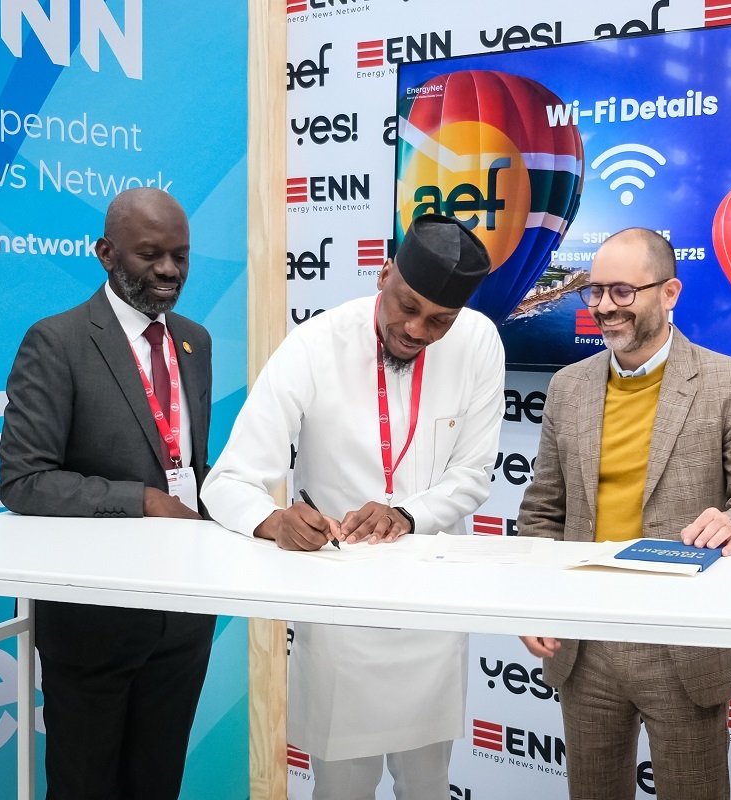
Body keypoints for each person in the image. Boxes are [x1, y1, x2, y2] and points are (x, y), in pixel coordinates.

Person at [201, 213, 504, 800]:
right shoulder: (316, 345)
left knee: (427, 782)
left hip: (431, 606)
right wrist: (274, 520)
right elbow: (230, 479)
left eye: (439, 321)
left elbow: (471, 476)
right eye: (407, 306)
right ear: (383, 274)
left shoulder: (478, 342)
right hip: (341, 610)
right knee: (342, 785)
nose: (416, 329)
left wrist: (407, 515)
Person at [517, 228, 731, 800]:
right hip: (584, 644)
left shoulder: (728, 381)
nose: (604, 307)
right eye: (595, 291)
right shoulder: (567, 387)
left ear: (669, 293)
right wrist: (535, 599)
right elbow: (543, 511)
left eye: (622, 291)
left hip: (684, 644)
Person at [0, 187, 215, 799]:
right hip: (94, 622)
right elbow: (23, 479)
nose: (169, 270)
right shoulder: (57, 341)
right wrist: (142, 500)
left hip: (184, 616)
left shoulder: (195, 341)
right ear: (106, 253)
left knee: (157, 785)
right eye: (150, 254)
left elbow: (189, 466)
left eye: (180, 256)